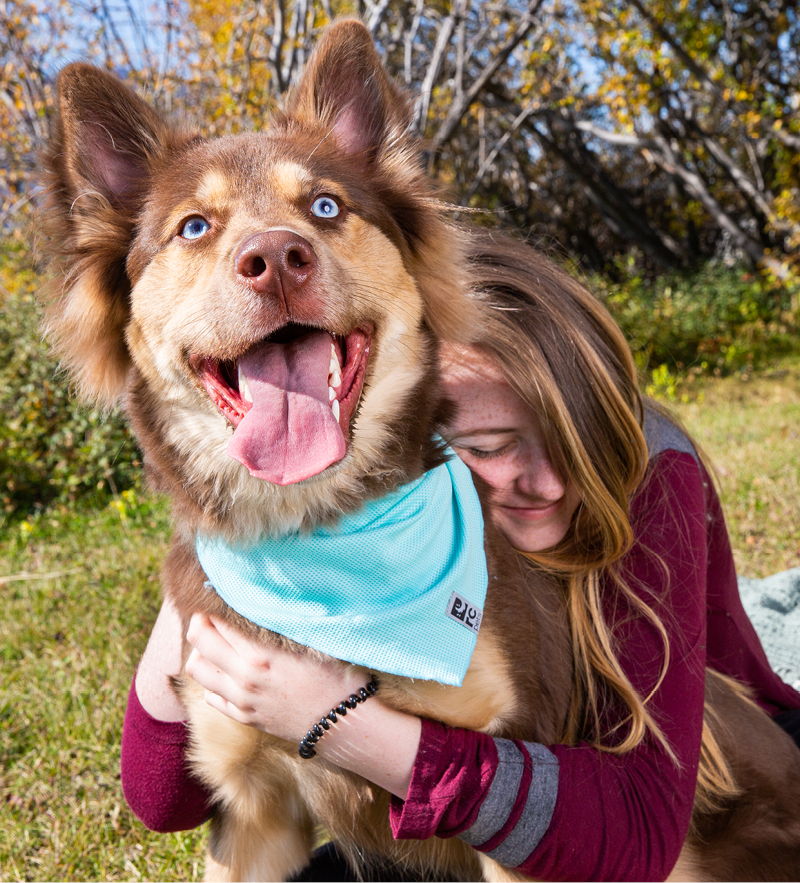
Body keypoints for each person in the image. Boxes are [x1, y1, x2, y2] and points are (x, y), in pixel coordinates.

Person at [121, 231, 800, 881]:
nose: (552, 483)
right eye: (487, 447)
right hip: (455, 817)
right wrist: (216, 545)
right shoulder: (369, 491)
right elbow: (163, 799)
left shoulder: (650, 466)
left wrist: (335, 721)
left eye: (574, 441)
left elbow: (640, 835)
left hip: (709, 788)